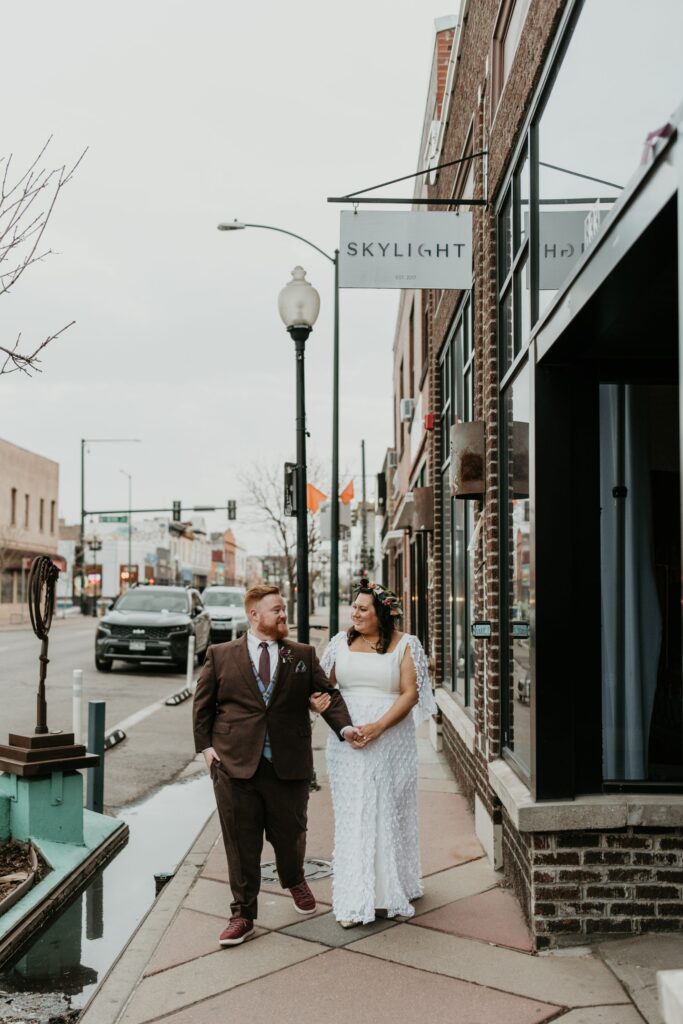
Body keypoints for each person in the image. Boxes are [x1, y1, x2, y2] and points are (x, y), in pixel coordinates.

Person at [193, 584, 361, 947]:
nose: (284, 615)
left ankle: (294, 878)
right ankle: (242, 914)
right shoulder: (221, 655)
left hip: (288, 763)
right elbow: (203, 706)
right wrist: (206, 749)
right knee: (241, 841)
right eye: (277, 610)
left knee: (291, 833)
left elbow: (327, 695)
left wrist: (344, 727)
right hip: (234, 765)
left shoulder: (301, 654)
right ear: (254, 615)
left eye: (284, 609)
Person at [313, 578, 436, 927]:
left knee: (387, 808)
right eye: (353, 607)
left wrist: (379, 727)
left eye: (362, 608)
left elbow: (410, 694)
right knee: (355, 813)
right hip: (347, 741)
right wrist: (321, 707)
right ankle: (357, 896)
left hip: (389, 739)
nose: (354, 612)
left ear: (381, 613)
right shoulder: (340, 643)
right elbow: (324, 687)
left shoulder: (406, 645)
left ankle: (388, 890)